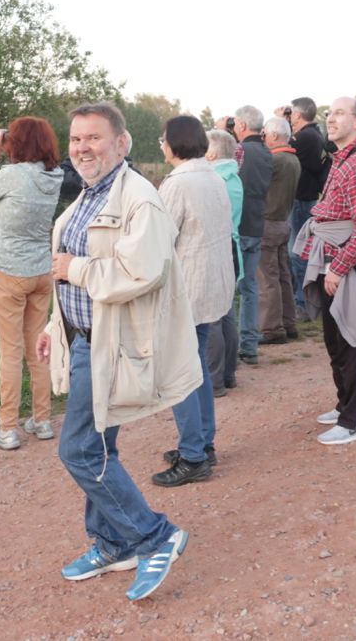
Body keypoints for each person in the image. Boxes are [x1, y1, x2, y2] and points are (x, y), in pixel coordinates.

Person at [35, 102, 199, 602]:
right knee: (100, 447)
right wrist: (51, 324)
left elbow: (138, 272)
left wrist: (76, 269)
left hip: (115, 345)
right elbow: (70, 268)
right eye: (77, 139)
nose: (83, 147)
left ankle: (154, 536)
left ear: (121, 143)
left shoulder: (139, 200)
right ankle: (111, 543)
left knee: (80, 449)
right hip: (85, 338)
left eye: (94, 138)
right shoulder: (90, 193)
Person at [294, 96, 356, 445]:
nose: (330, 119)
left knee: (355, 339)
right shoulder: (341, 159)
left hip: (352, 265)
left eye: (338, 113)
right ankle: (347, 404)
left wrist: (338, 268)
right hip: (333, 260)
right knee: (336, 341)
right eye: (329, 113)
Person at [0, 117, 64, 450]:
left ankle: (6, 427)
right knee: (39, 349)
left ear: (15, 144)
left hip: (9, 270)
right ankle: (42, 419)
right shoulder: (55, 176)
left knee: (11, 352)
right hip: (41, 271)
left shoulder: (11, 175)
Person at [152, 116, 235, 486]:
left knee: (180, 371)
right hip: (210, 283)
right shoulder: (212, 174)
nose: (160, 143)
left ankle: (193, 455)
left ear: (176, 142)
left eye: (163, 138)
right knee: (195, 365)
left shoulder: (179, 182)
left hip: (188, 287)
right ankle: (202, 444)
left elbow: (158, 238)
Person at [233, 105, 272, 365]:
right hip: (257, 223)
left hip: (237, 226)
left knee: (228, 290)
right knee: (250, 289)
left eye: (236, 124)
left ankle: (228, 349)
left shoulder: (241, 152)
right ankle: (249, 344)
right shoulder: (268, 153)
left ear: (243, 126)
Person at [205, 129, 244, 392]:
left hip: (217, 249)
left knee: (211, 317)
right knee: (226, 315)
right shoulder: (233, 177)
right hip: (231, 248)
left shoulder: (214, 179)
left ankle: (214, 380)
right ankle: (228, 373)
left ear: (212, 152)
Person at [258, 116, 301, 344]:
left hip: (268, 222)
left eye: (265, 134)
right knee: (283, 275)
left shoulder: (275, 160)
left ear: (274, 136)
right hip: (283, 221)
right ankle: (288, 321)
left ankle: (271, 328)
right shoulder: (293, 159)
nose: (263, 138)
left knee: (267, 278)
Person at [286, 97, 330, 320]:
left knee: (298, 252)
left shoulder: (304, 137)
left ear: (299, 114)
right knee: (299, 250)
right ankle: (305, 301)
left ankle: (303, 303)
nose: (290, 115)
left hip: (301, 199)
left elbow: (280, 148)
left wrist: (280, 123)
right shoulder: (314, 133)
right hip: (306, 197)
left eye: (292, 112)